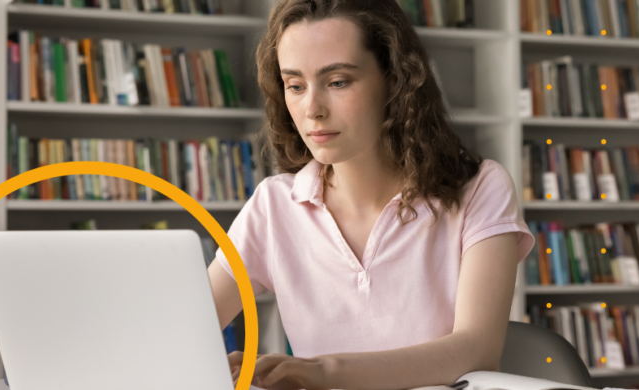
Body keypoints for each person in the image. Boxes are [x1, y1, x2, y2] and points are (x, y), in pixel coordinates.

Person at [207, 1, 535, 389]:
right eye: (295, 86)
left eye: (338, 81)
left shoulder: (480, 188)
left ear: (395, 81)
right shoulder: (273, 206)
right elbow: (186, 328)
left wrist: (323, 372)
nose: (312, 109)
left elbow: (476, 350)